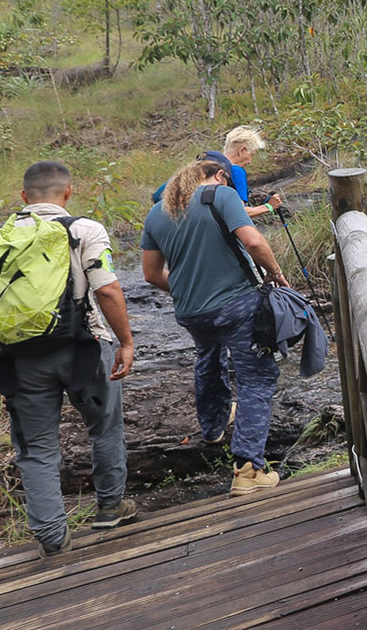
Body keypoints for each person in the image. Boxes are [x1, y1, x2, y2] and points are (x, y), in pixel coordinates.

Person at [0, 160, 135, 558]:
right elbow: (107, 291)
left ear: (23, 197)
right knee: (104, 427)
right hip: (86, 350)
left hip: (22, 359)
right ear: (68, 192)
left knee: (36, 448)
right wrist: (126, 342)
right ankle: (109, 508)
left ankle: (52, 536)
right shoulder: (85, 231)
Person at [141, 159, 291, 497]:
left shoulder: (157, 214)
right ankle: (249, 470)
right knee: (256, 378)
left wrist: (185, 290)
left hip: (192, 312)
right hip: (236, 305)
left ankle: (212, 427)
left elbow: (150, 274)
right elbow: (253, 242)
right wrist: (275, 273)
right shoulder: (220, 196)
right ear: (220, 176)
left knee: (209, 359)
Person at [150, 126, 281, 220]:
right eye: (251, 154)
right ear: (242, 150)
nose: (250, 161)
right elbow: (240, 212)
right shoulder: (236, 171)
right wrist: (269, 207)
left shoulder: (204, 166)